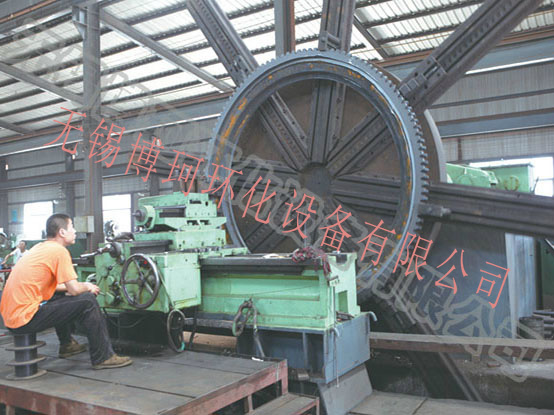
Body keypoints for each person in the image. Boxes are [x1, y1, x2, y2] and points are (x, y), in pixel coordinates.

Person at [0, 213, 132, 370]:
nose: (75, 231)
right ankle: (103, 357)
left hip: (11, 318)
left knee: (60, 295)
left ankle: (67, 345)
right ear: (62, 232)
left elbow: (54, 287)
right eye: (72, 227)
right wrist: (87, 286)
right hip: (24, 319)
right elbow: (75, 290)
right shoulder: (59, 251)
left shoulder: (40, 248)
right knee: (88, 300)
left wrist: (75, 287)